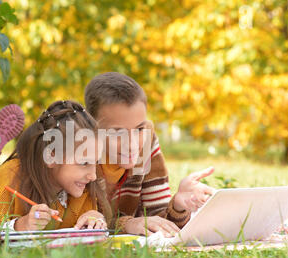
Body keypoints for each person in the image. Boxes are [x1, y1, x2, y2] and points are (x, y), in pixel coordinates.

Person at [0, 101, 111, 232]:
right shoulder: (13, 173)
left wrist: (94, 218)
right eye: (84, 163)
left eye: (95, 162)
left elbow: (89, 213)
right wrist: (20, 225)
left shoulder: (81, 185)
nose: (93, 175)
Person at [84, 72, 215, 236]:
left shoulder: (146, 141)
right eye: (118, 132)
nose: (131, 144)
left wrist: (178, 206)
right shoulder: (79, 155)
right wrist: (126, 224)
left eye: (139, 129)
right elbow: (82, 222)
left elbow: (159, 222)